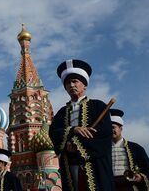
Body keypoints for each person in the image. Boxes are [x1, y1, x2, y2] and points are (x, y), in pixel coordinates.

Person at [48, 59, 114, 191]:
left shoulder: (98, 106)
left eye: (74, 81)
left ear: (84, 85)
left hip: (94, 164)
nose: (71, 85)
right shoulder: (62, 112)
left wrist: (76, 146)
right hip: (69, 164)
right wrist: (73, 130)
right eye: (67, 83)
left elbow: (104, 133)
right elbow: (53, 133)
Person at [109, 108, 149, 191]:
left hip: (130, 186)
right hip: (109, 186)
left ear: (121, 129)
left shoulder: (136, 148)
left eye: (113, 127)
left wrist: (140, 177)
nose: (111, 130)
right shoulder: (103, 149)